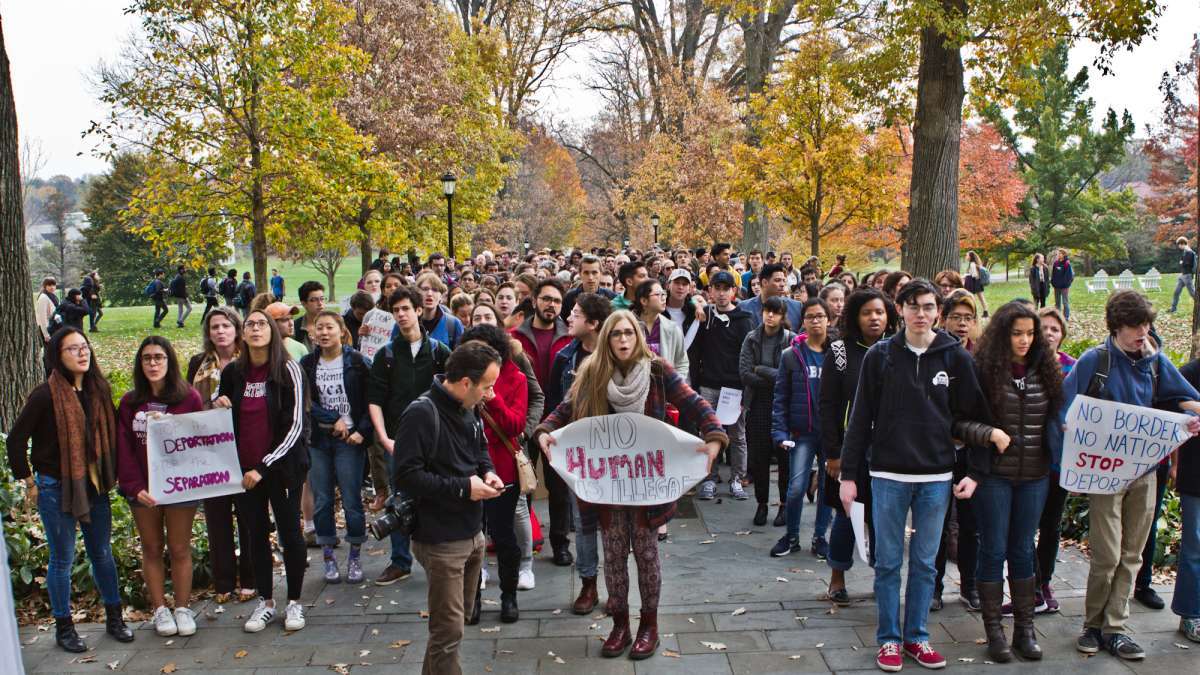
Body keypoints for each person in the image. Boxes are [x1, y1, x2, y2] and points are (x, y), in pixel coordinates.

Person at [536, 310, 726, 661]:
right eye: (616, 334)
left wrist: (714, 435)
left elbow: (694, 401)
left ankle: (649, 626)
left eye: (628, 334)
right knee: (613, 558)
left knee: (647, 555)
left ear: (638, 338)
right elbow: (564, 409)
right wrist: (546, 431)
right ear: (607, 338)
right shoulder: (592, 371)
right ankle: (620, 624)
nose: (623, 340)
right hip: (608, 487)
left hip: (647, 485)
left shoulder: (658, 371)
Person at [839, 279, 992, 672]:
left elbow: (975, 416)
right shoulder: (880, 356)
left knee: (925, 564)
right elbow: (860, 419)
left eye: (927, 307)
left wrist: (975, 471)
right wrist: (849, 475)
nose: (921, 314)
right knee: (888, 562)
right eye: (913, 307)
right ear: (900, 310)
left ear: (936, 311)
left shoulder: (954, 357)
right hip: (887, 475)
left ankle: (917, 637)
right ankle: (889, 639)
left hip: (936, 477)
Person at [1051, 290, 1200, 660]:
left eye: (1147, 324)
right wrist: (1067, 452)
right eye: (1135, 326)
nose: (1142, 333)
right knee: (1107, 552)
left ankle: (1115, 627)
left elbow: (1183, 396)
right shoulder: (1095, 360)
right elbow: (1063, 410)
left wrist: (1191, 415)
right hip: (1104, 474)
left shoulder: (1153, 361)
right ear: (1117, 326)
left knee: (1132, 553)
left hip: (1144, 472)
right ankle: (1092, 624)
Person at [5, 327, 135, 652]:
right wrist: (29, 481)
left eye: (85, 347)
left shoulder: (98, 391)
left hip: (95, 485)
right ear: (57, 357)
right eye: (73, 349)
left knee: (102, 553)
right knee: (62, 559)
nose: (82, 353)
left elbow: (117, 431)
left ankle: (115, 618)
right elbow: (16, 440)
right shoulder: (45, 395)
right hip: (55, 487)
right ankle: (64, 628)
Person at [955, 302, 1063, 662]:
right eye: (1017, 333)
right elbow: (958, 423)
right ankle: (994, 633)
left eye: (1031, 334)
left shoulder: (1046, 371)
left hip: (1035, 476)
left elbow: (1059, 418)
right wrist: (990, 434)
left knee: (1022, 550)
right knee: (993, 548)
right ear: (1003, 333)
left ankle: (1025, 631)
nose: (1025, 340)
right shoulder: (982, 369)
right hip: (994, 476)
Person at [394, 342, 505, 675]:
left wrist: (487, 472)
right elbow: (406, 477)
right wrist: (463, 487)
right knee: (449, 630)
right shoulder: (421, 413)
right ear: (466, 382)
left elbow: (479, 448)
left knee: (456, 624)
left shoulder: (468, 405)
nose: (491, 394)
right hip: (440, 538)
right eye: (487, 386)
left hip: (472, 533)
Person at [213, 309, 310, 634]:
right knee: (255, 535)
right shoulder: (234, 373)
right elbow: (220, 403)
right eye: (250, 324)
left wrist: (264, 466)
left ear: (273, 331)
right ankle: (266, 601)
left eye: (261, 324)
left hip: (281, 469)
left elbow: (295, 426)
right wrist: (218, 403)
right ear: (243, 333)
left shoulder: (288, 370)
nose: (255, 328)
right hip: (244, 472)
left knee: (290, 533)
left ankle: (294, 601)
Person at [116, 336, 205, 637]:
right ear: (139, 364)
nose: (153, 363)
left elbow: (199, 441)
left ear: (170, 361)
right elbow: (124, 447)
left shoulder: (188, 398)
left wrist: (169, 422)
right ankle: (160, 609)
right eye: (147, 358)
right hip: (145, 489)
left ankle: (182, 607)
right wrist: (133, 485)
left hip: (180, 486)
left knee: (179, 547)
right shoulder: (130, 402)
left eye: (159, 357)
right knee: (152, 547)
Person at [368, 286, 452, 585]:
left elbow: (454, 396)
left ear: (418, 310)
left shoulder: (440, 352)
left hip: (437, 440)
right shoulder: (387, 355)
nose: (401, 315)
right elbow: (375, 400)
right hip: (398, 439)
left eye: (406, 309)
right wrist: (384, 438)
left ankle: (441, 559)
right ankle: (400, 561)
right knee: (399, 501)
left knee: (439, 498)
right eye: (396, 310)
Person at [820, 288, 897, 606]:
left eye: (879, 312)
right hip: (851, 451)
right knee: (846, 516)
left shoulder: (898, 350)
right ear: (855, 316)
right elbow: (827, 406)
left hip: (889, 451)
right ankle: (837, 577)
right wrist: (833, 454)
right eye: (867, 312)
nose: (874, 318)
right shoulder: (839, 353)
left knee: (884, 518)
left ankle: (884, 579)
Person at [548, 293, 613, 613]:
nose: (567, 318)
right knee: (584, 521)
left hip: (615, 451)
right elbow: (556, 404)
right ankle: (588, 584)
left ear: (593, 323)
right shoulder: (565, 358)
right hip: (579, 454)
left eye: (574, 314)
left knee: (615, 522)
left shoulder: (618, 356)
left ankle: (616, 586)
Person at [186, 308, 256, 602]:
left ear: (236, 329)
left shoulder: (250, 361)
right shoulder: (198, 364)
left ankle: (251, 579)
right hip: (210, 450)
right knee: (216, 518)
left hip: (244, 448)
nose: (220, 331)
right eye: (214, 327)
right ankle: (223, 582)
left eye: (225, 325)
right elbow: (187, 401)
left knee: (249, 516)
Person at [461, 325, 528, 622]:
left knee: (503, 536)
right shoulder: (461, 380)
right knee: (470, 538)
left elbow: (516, 426)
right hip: (467, 470)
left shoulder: (515, 378)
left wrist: (492, 397)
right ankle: (471, 599)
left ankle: (509, 596)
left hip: (502, 470)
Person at [300, 311, 372, 585]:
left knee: (352, 500)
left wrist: (361, 432)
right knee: (322, 500)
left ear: (342, 331)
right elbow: (306, 401)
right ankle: (328, 554)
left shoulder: (357, 362)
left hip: (350, 441)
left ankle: (354, 554)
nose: (324, 332)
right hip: (319, 440)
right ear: (313, 333)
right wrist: (333, 419)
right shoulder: (307, 364)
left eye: (330, 327)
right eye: (319, 328)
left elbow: (370, 401)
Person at [511, 278, 575, 565]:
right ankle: (526, 541)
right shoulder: (515, 337)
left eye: (557, 301)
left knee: (558, 487)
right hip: (524, 420)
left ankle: (560, 543)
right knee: (523, 484)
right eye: (547, 299)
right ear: (535, 299)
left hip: (559, 420)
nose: (552, 305)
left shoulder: (570, 336)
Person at [931, 290, 982, 612]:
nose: (963, 324)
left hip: (971, 451)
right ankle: (933, 587)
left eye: (968, 318)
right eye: (957, 317)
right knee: (935, 524)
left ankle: (969, 585)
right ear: (944, 318)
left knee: (970, 524)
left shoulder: (981, 356)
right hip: (936, 451)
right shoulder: (935, 354)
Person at [770, 298, 833, 558]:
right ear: (803, 321)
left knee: (829, 488)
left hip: (831, 434)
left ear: (829, 319)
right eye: (810, 317)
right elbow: (781, 396)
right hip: (802, 432)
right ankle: (792, 535)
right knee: (796, 487)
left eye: (820, 316)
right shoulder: (791, 355)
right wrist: (780, 431)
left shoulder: (838, 354)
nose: (815, 321)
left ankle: (820, 537)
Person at [691, 271, 754, 500]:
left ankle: (737, 478)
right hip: (708, 385)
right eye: (716, 288)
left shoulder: (744, 319)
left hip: (735, 388)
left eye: (726, 288)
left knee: (737, 435)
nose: (721, 293)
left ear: (733, 291)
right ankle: (709, 478)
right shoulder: (704, 316)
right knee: (708, 433)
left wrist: (746, 388)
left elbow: (749, 356)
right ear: (710, 291)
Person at [740, 296, 795, 526]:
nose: (770, 316)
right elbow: (745, 373)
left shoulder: (791, 340)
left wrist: (761, 369)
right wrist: (771, 377)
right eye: (767, 311)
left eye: (775, 312)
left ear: (783, 316)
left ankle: (784, 505)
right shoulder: (752, 338)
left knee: (784, 459)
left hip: (784, 405)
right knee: (759, 458)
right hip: (758, 404)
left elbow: (788, 375)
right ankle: (762, 503)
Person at [1172, 355, 1200, 642]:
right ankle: (1191, 613)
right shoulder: (1189, 372)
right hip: (1196, 475)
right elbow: (1170, 402)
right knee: (1195, 545)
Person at [633, 279, 688, 378]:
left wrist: (674, 385)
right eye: (658, 294)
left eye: (664, 294)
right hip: (634, 389)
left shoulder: (672, 328)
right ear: (644, 301)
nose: (663, 298)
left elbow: (682, 363)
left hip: (664, 390)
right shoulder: (628, 326)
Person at [740, 263, 804, 331]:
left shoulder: (796, 307)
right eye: (777, 280)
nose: (782, 284)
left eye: (784, 280)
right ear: (764, 282)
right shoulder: (744, 308)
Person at [415, 271, 465, 348]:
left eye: (435, 290)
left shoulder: (453, 324)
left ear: (441, 296)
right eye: (425, 289)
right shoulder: (406, 321)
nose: (429, 294)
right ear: (417, 293)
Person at [561, 254, 617, 320]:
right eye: (586, 273)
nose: (590, 277)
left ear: (600, 273)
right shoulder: (569, 298)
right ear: (580, 274)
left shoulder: (611, 297)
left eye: (594, 273)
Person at [294, 280, 326, 350]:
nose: (320, 303)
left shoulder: (335, 324)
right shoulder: (295, 328)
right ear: (304, 303)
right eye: (314, 300)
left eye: (322, 299)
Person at [1171, 236, 1197, 313]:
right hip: (1182, 275)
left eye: (1179, 245)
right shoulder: (1185, 251)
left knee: (1193, 293)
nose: (1179, 246)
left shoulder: (1189, 252)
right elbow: (1182, 261)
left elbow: (1187, 264)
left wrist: (1182, 263)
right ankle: (1173, 309)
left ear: (1182, 244)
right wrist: (1182, 262)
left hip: (1187, 275)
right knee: (1176, 292)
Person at [964, 251, 989, 318]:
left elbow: (974, 275)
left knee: (972, 298)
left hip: (973, 283)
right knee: (981, 298)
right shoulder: (974, 264)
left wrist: (966, 275)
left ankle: (974, 312)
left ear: (970, 257)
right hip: (977, 282)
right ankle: (985, 312)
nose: (966, 257)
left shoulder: (972, 264)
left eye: (967, 255)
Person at [1051, 249, 1074, 320]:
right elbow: (1053, 274)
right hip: (1056, 286)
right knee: (1057, 303)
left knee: (1065, 302)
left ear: (1064, 255)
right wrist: (1053, 282)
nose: (1058, 255)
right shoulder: (1056, 263)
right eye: (1058, 253)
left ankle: (1066, 317)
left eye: (1060, 253)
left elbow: (1070, 276)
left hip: (1064, 287)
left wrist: (1066, 284)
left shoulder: (1067, 264)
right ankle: (1058, 317)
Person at [35, 276, 59, 343]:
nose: (52, 287)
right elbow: (42, 317)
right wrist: (46, 334)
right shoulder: (43, 297)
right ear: (45, 286)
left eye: (53, 285)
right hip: (46, 328)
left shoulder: (53, 295)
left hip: (53, 326)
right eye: (49, 285)